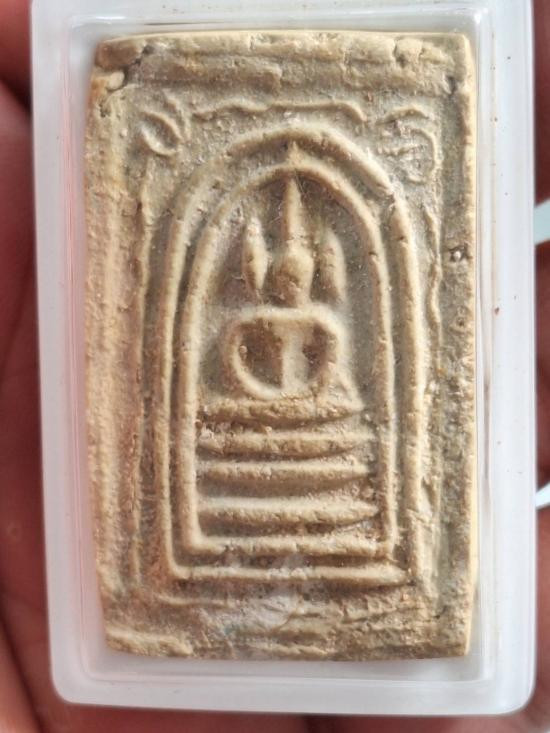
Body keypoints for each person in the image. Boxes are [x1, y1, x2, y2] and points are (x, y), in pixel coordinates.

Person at [0, 0, 548, 729]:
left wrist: (304, 391)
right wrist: (257, 383)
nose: (287, 285)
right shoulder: (252, 316)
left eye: (296, 274)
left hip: (314, 422)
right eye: (278, 275)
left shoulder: (320, 318)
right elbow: (234, 358)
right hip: (247, 421)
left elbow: (332, 373)